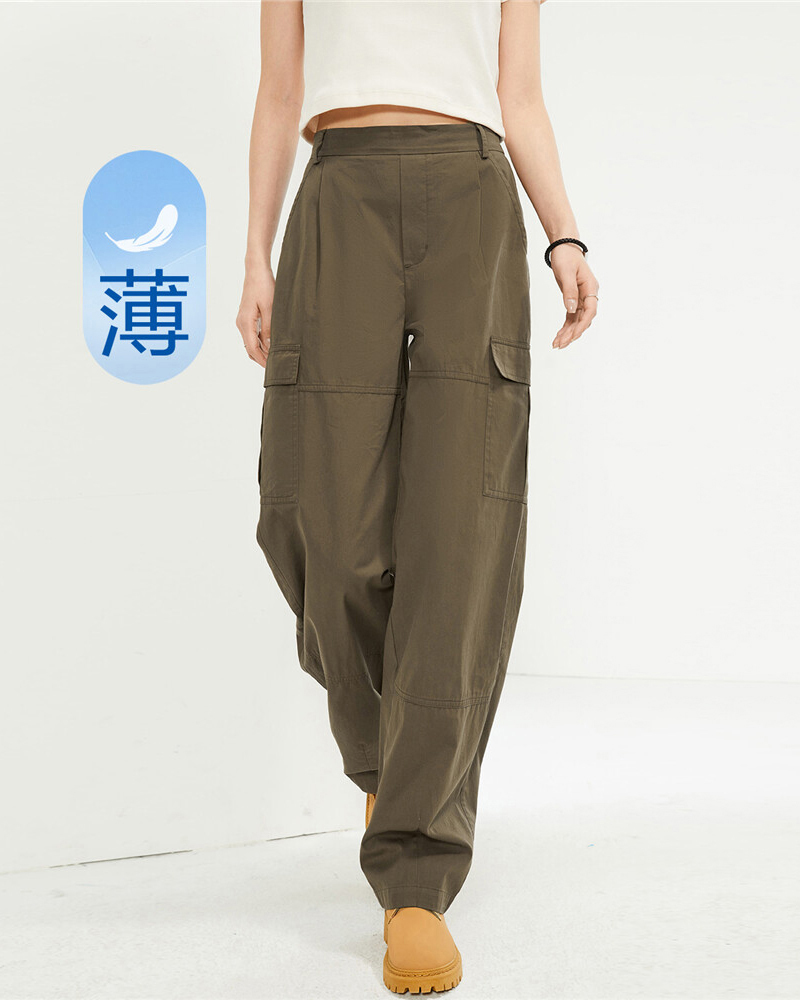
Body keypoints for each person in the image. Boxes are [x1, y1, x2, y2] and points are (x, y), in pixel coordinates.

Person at [237, 0, 599, 992]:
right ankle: (390, 770)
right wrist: (255, 254)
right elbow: (278, 91)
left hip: (469, 189)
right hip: (338, 189)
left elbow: (519, 94)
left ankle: (415, 880)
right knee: (313, 518)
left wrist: (564, 236)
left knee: (458, 532)